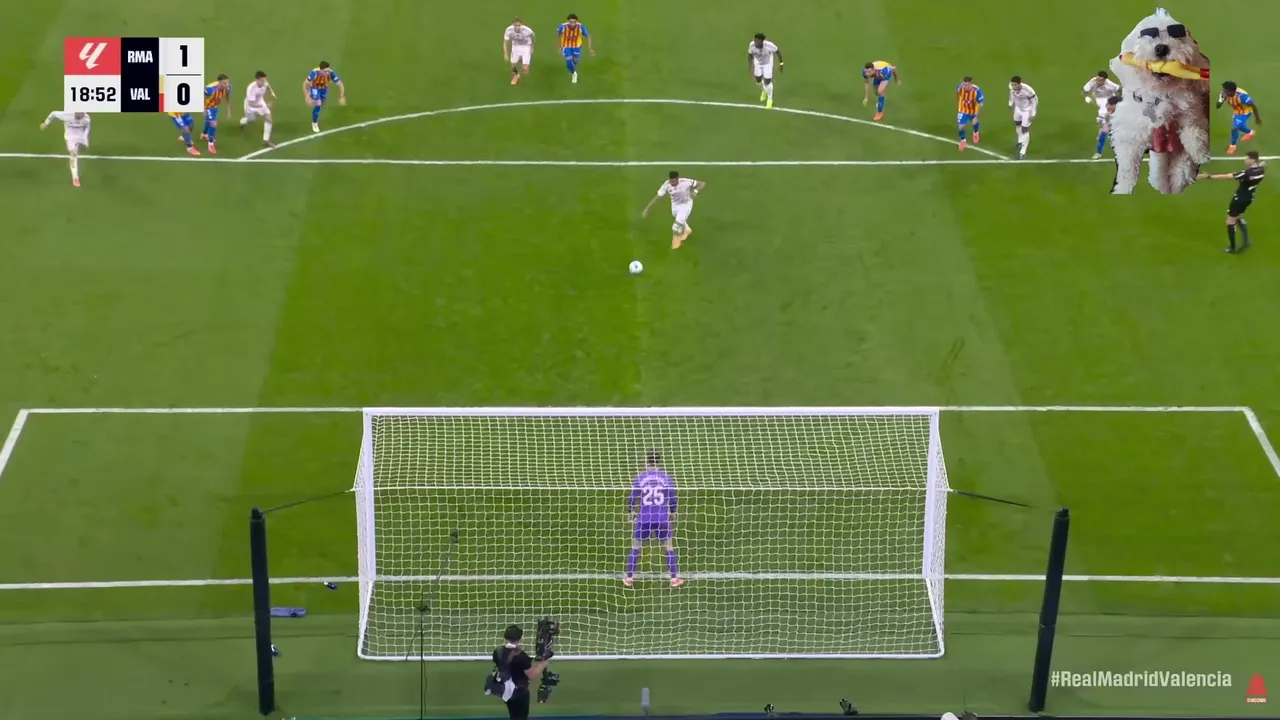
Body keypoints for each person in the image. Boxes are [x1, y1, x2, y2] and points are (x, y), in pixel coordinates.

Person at [623, 451, 684, 588]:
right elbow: (672, 497)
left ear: (647, 462)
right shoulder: (666, 478)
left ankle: (629, 578)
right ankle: (674, 579)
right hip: (662, 518)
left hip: (644, 518)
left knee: (636, 547)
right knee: (668, 547)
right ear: (659, 462)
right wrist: (673, 511)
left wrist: (631, 511)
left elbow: (632, 497)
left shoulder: (641, 478)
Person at [1198, 151, 1265, 253]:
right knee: (1238, 216)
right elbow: (1261, 166)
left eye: (1247, 158)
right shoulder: (1260, 170)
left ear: (1253, 159)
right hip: (1249, 197)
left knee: (1230, 221)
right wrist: (1261, 164)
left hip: (1240, 198)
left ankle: (1232, 248)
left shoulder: (1246, 173)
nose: (1245, 160)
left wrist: (1209, 177)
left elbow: (1228, 176)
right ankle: (1246, 240)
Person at [487, 625, 551, 720]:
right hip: (519, 692)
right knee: (521, 717)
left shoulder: (497, 652)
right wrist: (543, 664)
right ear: (519, 637)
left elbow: (507, 661)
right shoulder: (521, 656)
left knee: (514, 715)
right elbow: (532, 675)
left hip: (505, 690)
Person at [641, 171, 706, 249]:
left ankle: (676, 244)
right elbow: (657, 197)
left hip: (686, 205)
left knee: (675, 227)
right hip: (675, 205)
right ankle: (687, 230)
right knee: (680, 221)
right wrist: (647, 209)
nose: (672, 183)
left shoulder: (686, 182)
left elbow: (702, 184)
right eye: (671, 181)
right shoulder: (666, 184)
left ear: (678, 179)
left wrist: (695, 191)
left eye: (674, 181)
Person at [40, 110, 91, 186]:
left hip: (81, 136)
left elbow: (87, 129)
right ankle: (75, 177)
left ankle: (81, 145)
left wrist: (85, 139)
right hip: (70, 137)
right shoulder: (67, 115)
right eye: (80, 113)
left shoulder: (86, 118)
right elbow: (53, 114)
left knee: (81, 149)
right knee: (73, 154)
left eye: (82, 113)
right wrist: (46, 123)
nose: (82, 115)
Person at [1217, 81, 1261, 155]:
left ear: (1231, 91)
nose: (1223, 92)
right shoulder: (1224, 94)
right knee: (1238, 126)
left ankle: (1232, 146)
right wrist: (1221, 99)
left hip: (1245, 111)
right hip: (1236, 111)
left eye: (1225, 90)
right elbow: (1217, 106)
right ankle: (1250, 132)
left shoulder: (1242, 96)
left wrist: (1257, 118)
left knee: (1235, 127)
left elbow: (1253, 105)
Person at [304, 61, 346, 133]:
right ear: (320, 70)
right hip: (315, 88)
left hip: (324, 89)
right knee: (318, 104)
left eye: (327, 71)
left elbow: (340, 84)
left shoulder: (331, 73)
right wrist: (306, 96)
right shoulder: (314, 73)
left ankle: (315, 102)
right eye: (325, 71)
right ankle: (314, 123)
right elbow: (305, 83)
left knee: (322, 104)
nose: (327, 73)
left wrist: (341, 96)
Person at [240, 71, 276, 147]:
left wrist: (269, 98)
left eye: (265, 80)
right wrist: (266, 105)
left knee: (269, 119)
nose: (264, 82)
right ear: (256, 80)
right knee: (251, 120)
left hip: (260, 102)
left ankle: (266, 140)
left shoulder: (265, 83)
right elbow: (251, 104)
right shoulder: (251, 88)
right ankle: (242, 121)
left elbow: (268, 88)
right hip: (250, 106)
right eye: (262, 81)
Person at [748, 33, 783, 109]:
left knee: (767, 81)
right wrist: (750, 66)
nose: (755, 42)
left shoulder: (769, 45)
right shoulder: (751, 45)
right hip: (758, 62)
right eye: (755, 40)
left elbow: (777, 51)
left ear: (762, 41)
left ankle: (770, 100)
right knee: (758, 81)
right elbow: (750, 55)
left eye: (757, 41)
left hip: (767, 63)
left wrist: (781, 63)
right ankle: (764, 90)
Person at [557, 14, 594, 84]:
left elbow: (588, 36)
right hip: (566, 46)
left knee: (575, 60)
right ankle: (574, 73)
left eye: (574, 22)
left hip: (577, 46)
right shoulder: (562, 27)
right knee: (568, 61)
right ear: (568, 21)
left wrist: (590, 48)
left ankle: (573, 66)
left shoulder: (580, 27)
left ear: (576, 21)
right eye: (571, 22)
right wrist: (559, 47)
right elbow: (558, 35)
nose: (573, 24)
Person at [1008, 76, 1038, 160]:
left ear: (1019, 84)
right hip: (1018, 109)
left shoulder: (1028, 90)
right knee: (1017, 124)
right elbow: (1011, 94)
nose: (1013, 86)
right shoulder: (1011, 87)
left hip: (1027, 111)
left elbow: (1034, 101)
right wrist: (1010, 103)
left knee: (1024, 129)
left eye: (1015, 85)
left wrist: (1033, 113)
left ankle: (1023, 151)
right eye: (1012, 84)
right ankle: (1020, 141)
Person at [504, 18, 536, 85]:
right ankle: (516, 75)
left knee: (525, 70)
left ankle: (523, 62)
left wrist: (532, 47)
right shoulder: (509, 30)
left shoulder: (527, 30)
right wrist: (506, 53)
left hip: (526, 46)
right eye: (516, 25)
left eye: (519, 25)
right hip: (516, 46)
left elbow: (533, 37)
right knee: (513, 65)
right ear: (513, 25)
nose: (518, 27)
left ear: (521, 25)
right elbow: (506, 42)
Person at [956, 76, 984, 150]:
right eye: (964, 84)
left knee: (974, 123)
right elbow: (957, 94)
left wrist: (976, 117)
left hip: (973, 110)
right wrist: (958, 104)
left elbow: (981, 105)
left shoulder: (977, 91)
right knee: (960, 127)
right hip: (963, 109)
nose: (965, 86)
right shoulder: (960, 88)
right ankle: (963, 140)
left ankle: (975, 132)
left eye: (967, 85)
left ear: (971, 84)